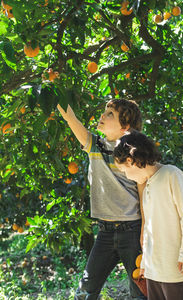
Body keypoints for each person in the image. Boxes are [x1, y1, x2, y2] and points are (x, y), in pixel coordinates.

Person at [57, 99, 147, 300]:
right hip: (105, 232)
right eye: (104, 112)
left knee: (140, 292)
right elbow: (70, 118)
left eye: (110, 114)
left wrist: (144, 230)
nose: (102, 116)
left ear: (125, 127)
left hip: (131, 230)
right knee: (85, 292)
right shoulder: (95, 146)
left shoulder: (135, 152)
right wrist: (55, 92)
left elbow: (143, 194)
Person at [113, 130, 183, 300]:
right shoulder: (147, 185)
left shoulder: (171, 174)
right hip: (154, 271)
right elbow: (149, 231)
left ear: (130, 161)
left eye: (123, 170)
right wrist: (146, 264)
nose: (126, 176)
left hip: (177, 269)